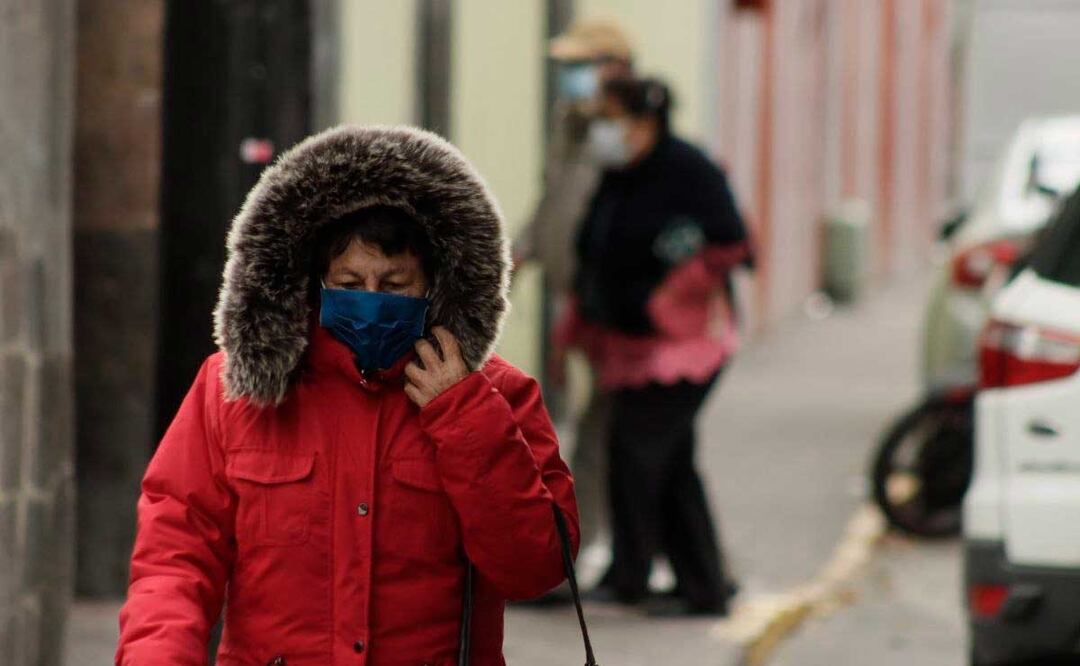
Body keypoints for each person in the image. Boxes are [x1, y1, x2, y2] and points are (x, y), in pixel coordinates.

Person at [115, 126, 579, 664]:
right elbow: (176, 555)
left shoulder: (498, 395)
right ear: (315, 283)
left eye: (396, 283)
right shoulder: (235, 390)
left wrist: (464, 415)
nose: (372, 301)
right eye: (350, 284)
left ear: (436, 283)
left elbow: (536, 568)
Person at [553, 77, 751, 616]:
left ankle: (634, 574)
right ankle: (702, 585)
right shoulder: (620, 174)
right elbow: (595, 245)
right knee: (670, 461)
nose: (606, 132)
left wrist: (672, 293)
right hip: (630, 343)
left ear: (646, 122)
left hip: (682, 345)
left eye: (613, 120)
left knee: (639, 455)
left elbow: (733, 241)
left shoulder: (687, 168)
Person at [514, 15, 633, 566]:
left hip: (617, 311)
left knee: (608, 433)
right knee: (602, 431)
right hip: (580, 306)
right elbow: (554, 201)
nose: (573, 78)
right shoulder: (571, 125)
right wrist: (518, 253)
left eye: (583, 66)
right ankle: (611, 550)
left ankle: (608, 550)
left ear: (616, 68)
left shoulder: (625, 133)